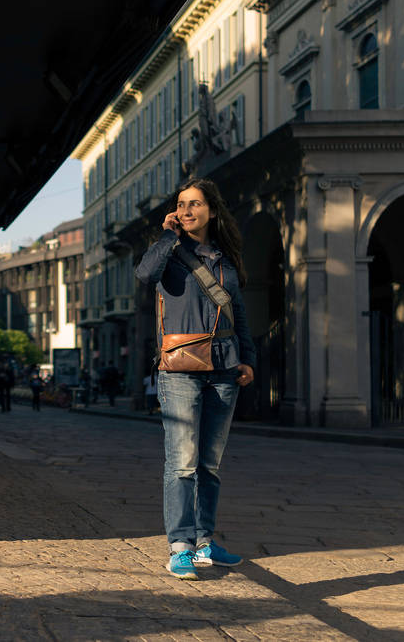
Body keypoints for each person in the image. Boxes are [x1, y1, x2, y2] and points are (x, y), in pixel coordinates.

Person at [134, 178, 256, 581]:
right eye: (181, 204)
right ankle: (180, 547)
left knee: (210, 464)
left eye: (195, 204)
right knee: (182, 463)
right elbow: (143, 274)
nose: (186, 210)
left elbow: (238, 311)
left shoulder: (225, 259)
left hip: (224, 368)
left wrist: (248, 358)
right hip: (180, 369)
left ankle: (205, 541)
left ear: (212, 211)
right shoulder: (167, 252)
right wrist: (166, 235)